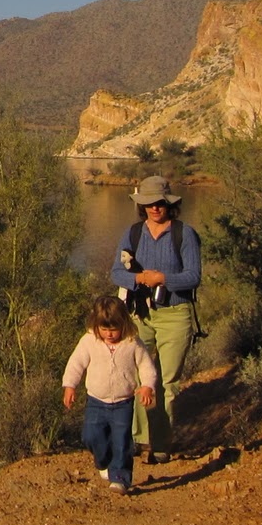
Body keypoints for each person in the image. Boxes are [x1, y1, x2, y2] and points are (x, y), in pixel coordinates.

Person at [110, 174, 201, 463]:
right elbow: (116, 272)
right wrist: (139, 278)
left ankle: (160, 444)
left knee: (166, 382)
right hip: (141, 313)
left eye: (160, 203)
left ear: (169, 204)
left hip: (176, 314)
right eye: (149, 203)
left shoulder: (184, 234)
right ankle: (138, 439)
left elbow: (193, 276)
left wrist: (163, 279)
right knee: (135, 374)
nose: (155, 208)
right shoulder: (133, 234)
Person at [62, 294, 158, 494]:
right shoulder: (89, 341)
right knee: (90, 436)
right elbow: (76, 363)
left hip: (123, 402)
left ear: (123, 324)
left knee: (122, 441)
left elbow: (146, 366)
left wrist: (148, 386)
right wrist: (70, 386)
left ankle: (120, 478)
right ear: (96, 325)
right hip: (96, 401)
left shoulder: (133, 342)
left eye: (113, 329)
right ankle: (104, 461)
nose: (109, 334)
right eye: (104, 329)